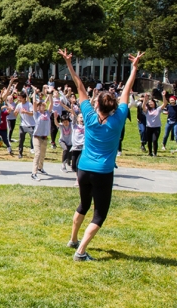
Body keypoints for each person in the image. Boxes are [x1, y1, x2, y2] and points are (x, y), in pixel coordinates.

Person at [60, 48, 142, 262]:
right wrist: (133, 69)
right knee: (99, 214)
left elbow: (79, 86)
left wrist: (69, 64)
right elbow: (126, 91)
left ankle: (73, 239)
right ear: (113, 106)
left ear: (97, 104)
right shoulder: (118, 119)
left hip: (83, 168)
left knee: (83, 205)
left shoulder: (88, 115)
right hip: (103, 172)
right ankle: (80, 251)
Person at [30, 86, 52, 181]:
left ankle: (40, 168)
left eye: (43, 105)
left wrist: (50, 93)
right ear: (38, 107)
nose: (43, 106)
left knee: (43, 155)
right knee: (37, 154)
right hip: (37, 137)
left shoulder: (47, 114)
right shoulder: (36, 114)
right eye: (41, 105)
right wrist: (34, 93)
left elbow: (51, 103)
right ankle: (34, 173)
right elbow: (34, 102)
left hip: (44, 137)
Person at [143, 91, 167, 157]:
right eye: (149, 102)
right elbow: (143, 107)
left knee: (155, 140)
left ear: (154, 103)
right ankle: (150, 152)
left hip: (156, 128)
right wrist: (145, 100)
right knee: (149, 141)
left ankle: (155, 153)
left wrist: (163, 96)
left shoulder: (158, 109)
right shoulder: (147, 110)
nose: (150, 103)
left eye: (151, 102)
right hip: (148, 127)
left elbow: (165, 103)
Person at [14, 91, 35, 159]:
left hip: (31, 125)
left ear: (23, 98)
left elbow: (32, 113)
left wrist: (25, 112)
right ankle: (20, 153)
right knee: (21, 140)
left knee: (33, 139)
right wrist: (15, 112)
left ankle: (34, 149)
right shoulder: (19, 105)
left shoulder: (29, 104)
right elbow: (15, 114)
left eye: (20, 97)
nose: (18, 98)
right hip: (22, 125)